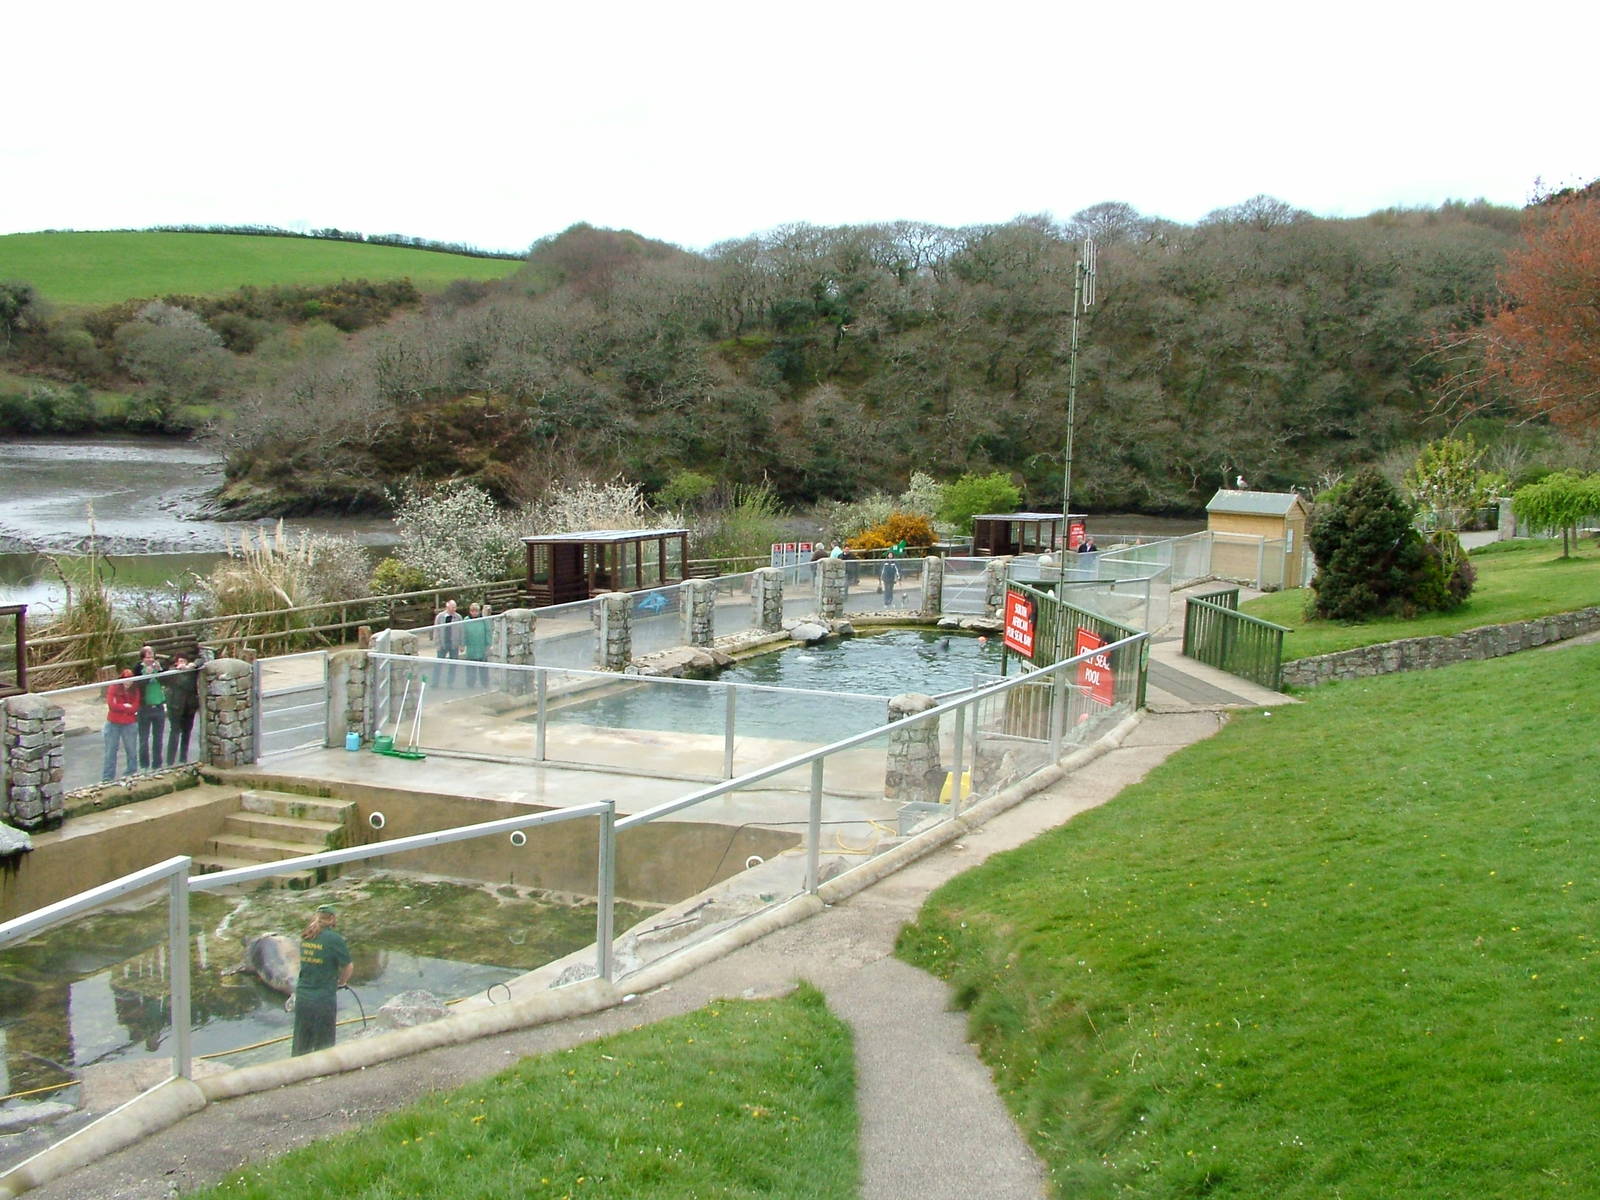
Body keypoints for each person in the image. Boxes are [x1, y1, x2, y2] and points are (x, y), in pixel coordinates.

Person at [292, 904, 353, 1056]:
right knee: (324, 1044)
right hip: (323, 998)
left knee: (301, 1041)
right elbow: (348, 966)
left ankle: (298, 1074)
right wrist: (342, 982)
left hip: (303, 997)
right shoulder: (334, 939)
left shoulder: (307, 935)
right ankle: (323, 1077)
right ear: (332, 918)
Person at [101, 669, 140, 782]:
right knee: (110, 751)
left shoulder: (135, 690)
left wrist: (122, 706)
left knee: (131, 750)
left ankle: (131, 772)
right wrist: (126, 706)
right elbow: (112, 705)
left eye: (130, 680)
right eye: (126, 680)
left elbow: (135, 707)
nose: (128, 682)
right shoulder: (113, 687)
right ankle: (107, 777)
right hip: (113, 723)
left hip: (129, 723)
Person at [133, 645, 166, 771]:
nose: (151, 659)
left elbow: (167, 681)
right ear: (142, 658)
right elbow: (137, 686)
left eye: (152, 656)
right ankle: (144, 766)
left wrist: (160, 671)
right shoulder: (137, 668)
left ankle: (157, 764)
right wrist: (147, 674)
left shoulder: (157, 666)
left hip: (158, 706)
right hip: (144, 707)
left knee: (158, 738)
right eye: (148, 657)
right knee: (144, 739)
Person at [163, 652, 201, 764]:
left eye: (184, 661)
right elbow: (184, 683)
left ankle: (183, 759)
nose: (182, 663)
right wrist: (182, 671)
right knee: (174, 733)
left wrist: (192, 666)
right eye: (179, 661)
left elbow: (202, 660)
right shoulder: (172, 672)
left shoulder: (192, 671)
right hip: (175, 708)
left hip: (189, 708)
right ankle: (170, 761)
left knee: (187, 734)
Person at [433, 598, 463, 687]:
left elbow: (461, 631)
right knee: (438, 664)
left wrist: (461, 644)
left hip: (454, 644)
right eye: (452, 607)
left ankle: (450, 683)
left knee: (453, 665)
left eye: (455, 607)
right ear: (447, 607)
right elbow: (436, 631)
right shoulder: (440, 617)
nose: (454, 609)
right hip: (443, 643)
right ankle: (435, 682)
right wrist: (437, 644)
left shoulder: (458, 617)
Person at [462, 601, 491, 689]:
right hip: (471, 647)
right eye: (472, 611)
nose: (474, 613)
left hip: (481, 647)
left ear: (479, 612)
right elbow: (463, 633)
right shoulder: (466, 620)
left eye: (476, 611)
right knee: (471, 667)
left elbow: (488, 631)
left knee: (483, 667)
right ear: (470, 611)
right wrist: (462, 644)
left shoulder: (483, 620)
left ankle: (485, 683)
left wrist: (488, 644)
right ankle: (470, 683)